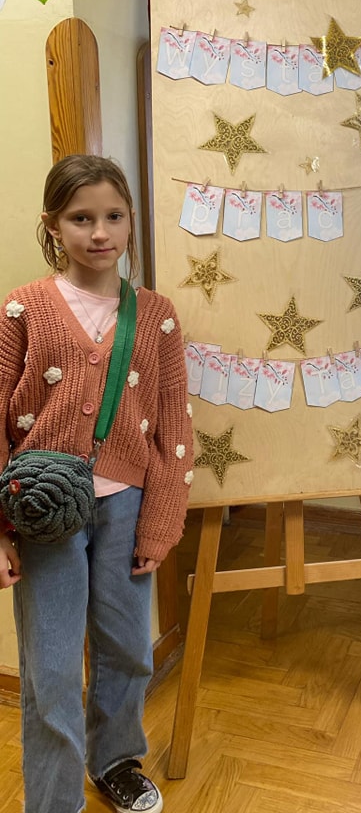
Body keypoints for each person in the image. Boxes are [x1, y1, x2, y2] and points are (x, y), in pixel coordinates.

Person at [0, 155, 194, 813]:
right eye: (81, 218)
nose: (100, 232)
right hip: (43, 512)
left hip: (128, 508)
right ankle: (54, 800)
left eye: (113, 215)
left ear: (131, 220)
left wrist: (161, 521)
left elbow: (173, 425)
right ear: (53, 225)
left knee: (130, 648)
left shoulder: (157, 317)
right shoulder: (23, 310)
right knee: (51, 668)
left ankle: (114, 760)